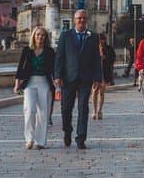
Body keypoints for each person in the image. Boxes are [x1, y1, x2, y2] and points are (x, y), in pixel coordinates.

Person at [54, 9, 101, 150]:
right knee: (66, 108)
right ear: (74, 20)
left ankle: (81, 138)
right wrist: (57, 76)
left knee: (83, 108)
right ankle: (67, 131)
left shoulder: (93, 37)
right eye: (79, 18)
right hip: (68, 78)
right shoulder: (65, 36)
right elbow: (60, 57)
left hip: (85, 78)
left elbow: (96, 59)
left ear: (87, 20)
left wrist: (98, 78)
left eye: (84, 18)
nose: (81, 20)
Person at [13, 26, 56, 150]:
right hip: (30, 83)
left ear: (46, 37)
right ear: (34, 36)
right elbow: (20, 68)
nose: (40, 37)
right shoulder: (27, 50)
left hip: (44, 82)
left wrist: (57, 83)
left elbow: (54, 69)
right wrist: (17, 84)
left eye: (43, 35)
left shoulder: (50, 51)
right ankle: (29, 139)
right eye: (38, 34)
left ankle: (40, 141)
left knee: (44, 112)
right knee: (30, 110)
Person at [90, 34, 115, 120]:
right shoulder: (93, 48)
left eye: (102, 40)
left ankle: (100, 111)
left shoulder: (108, 48)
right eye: (100, 40)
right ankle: (94, 110)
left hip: (104, 73)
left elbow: (112, 58)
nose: (101, 42)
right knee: (94, 91)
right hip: (95, 73)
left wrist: (105, 57)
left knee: (101, 92)